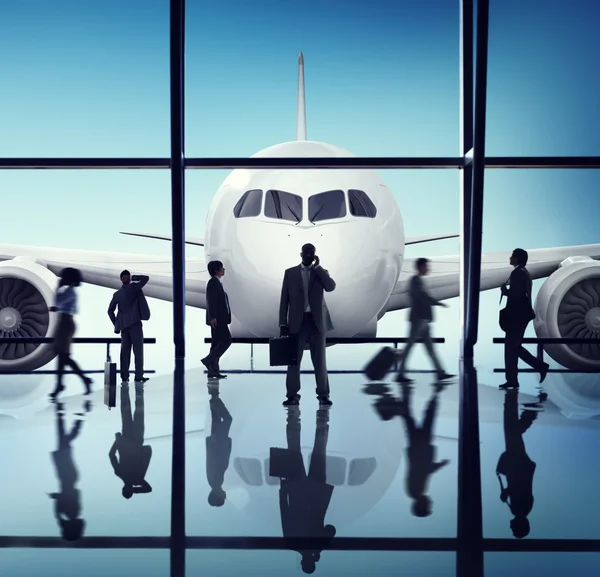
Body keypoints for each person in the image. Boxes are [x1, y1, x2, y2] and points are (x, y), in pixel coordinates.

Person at [279, 243, 336, 407]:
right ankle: (292, 395)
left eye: (312, 253)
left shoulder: (321, 272)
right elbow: (284, 300)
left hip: (317, 322)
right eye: (306, 253)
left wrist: (318, 268)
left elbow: (331, 287)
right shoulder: (290, 273)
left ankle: (323, 395)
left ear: (315, 255)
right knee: (293, 361)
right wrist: (283, 322)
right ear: (301, 254)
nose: (309, 255)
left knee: (320, 361)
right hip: (297, 322)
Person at [397, 258, 454, 384]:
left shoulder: (417, 281)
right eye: (426, 266)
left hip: (422, 319)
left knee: (427, 348)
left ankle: (440, 372)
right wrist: (436, 303)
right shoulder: (416, 281)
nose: (428, 269)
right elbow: (421, 297)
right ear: (421, 267)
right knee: (412, 346)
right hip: (419, 319)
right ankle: (400, 373)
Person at [499, 248, 549, 390]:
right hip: (522, 316)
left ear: (517, 258)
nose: (510, 257)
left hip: (516, 316)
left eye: (512, 255)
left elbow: (517, 295)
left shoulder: (516, 273)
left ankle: (536, 368)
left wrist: (505, 291)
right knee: (514, 347)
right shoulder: (525, 273)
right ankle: (514, 379)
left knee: (511, 347)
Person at [496, 389, 537, 538]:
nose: (510, 526)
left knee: (512, 432)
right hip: (518, 464)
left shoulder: (522, 509)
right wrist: (506, 492)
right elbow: (519, 486)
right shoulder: (519, 509)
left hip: (520, 465)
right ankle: (513, 400)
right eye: (513, 529)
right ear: (520, 525)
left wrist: (507, 491)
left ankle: (527, 413)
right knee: (511, 431)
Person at [48, 267, 92, 399]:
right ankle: (62, 384)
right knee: (62, 356)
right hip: (65, 323)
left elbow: (56, 303)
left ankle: (80, 380)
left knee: (63, 356)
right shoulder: (71, 291)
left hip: (65, 324)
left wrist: (57, 287)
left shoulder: (68, 291)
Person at [108, 383, 152, 499]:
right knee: (127, 411)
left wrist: (135, 490)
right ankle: (125, 387)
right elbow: (111, 455)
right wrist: (118, 440)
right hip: (127, 440)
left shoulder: (137, 479)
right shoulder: (120, 473)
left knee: (138, 411)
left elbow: (148, 489)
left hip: (135, 440)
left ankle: (137, 388)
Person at [107, 270, 150, 384]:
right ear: (121, 279)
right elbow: (145, 278)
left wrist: (116, 323)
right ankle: (136, 376)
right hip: (132, 325)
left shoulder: (130, 289)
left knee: (128, 352)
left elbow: (110, 311)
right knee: (133, 352)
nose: (128, 279)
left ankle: (128, 376)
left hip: (128, 325)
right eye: (126, 277)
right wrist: (116, 323)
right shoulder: (130, 289)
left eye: (128, 277)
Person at [202, 261, 232, 379]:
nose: (224, 270)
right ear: (216, 270)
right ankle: (208, 360)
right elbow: (211, 301)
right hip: (218, 319)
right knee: (226, 341)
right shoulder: (213, 283)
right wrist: (213, 317)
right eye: (222, 268)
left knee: (216, 344)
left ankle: (213, 370)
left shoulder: (217, 283)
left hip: (219, 318)